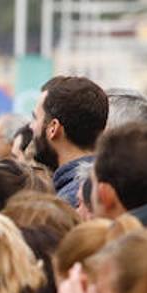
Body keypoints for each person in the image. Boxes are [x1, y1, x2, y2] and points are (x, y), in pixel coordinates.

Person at [30, 75, 109, 205]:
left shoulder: (69, 202)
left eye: (35, 118)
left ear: (53, 128)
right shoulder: (106, 185)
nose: (31, 126)